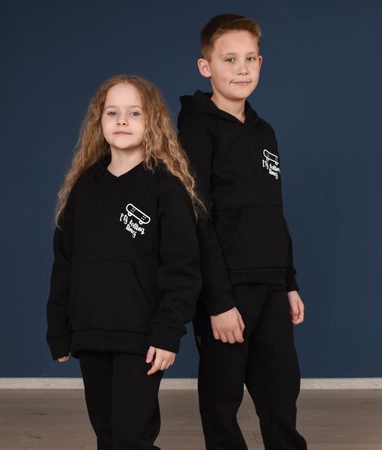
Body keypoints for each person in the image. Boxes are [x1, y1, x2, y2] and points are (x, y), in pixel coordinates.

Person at [46, 74, 203, 450]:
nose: (122, 120)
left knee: (132, 437)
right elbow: (64, 264)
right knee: (108, 435)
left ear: (152, 122)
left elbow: (182, 267)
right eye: (112, 112)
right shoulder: (84, 188)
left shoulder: (166, 188)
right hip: (91, 332)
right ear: (98, 122)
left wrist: (168, 332)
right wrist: (59, 328)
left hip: (142, 337)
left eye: (134, 112)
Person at [177, 13, 308, 450]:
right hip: (226, 289)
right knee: (223, 398)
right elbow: (196, 216)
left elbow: (274, 212)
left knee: (281, 391)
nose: (242, 68)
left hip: (270, 284)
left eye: (250, 58)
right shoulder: (196, 128)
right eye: (229, 59)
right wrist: (218, 301)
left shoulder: (264, 132)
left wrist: (288, 281)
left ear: (261, 63)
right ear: (206, 66)